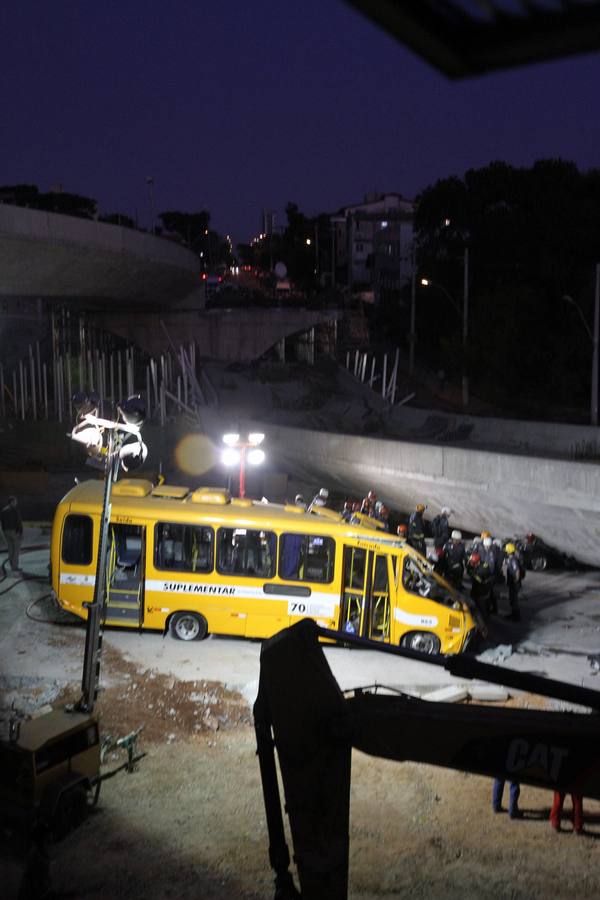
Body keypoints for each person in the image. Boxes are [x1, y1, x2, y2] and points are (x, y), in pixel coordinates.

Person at [1, 495, 23, 573]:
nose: (16, 503)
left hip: (6, 531)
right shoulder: (14, 510)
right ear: (12, 502)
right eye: (15, 501)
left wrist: (4, 531)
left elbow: (2, 522)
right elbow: (18, 521)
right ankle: (15, 566)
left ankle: (11, 564)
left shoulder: (4, 510)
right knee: (16, 549)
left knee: (10, 549)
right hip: (14, 531)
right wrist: (20, 531)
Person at [505, 543, 523, 622]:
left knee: (514, 600)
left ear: (509, 551)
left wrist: (516, 580)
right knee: (512, 599)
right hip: (512, 582)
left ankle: (516, 617)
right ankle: (513, 614)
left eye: (507, 551)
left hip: (514, 583)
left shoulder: (513, 560)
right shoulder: (511, 559)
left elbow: (517, 570)